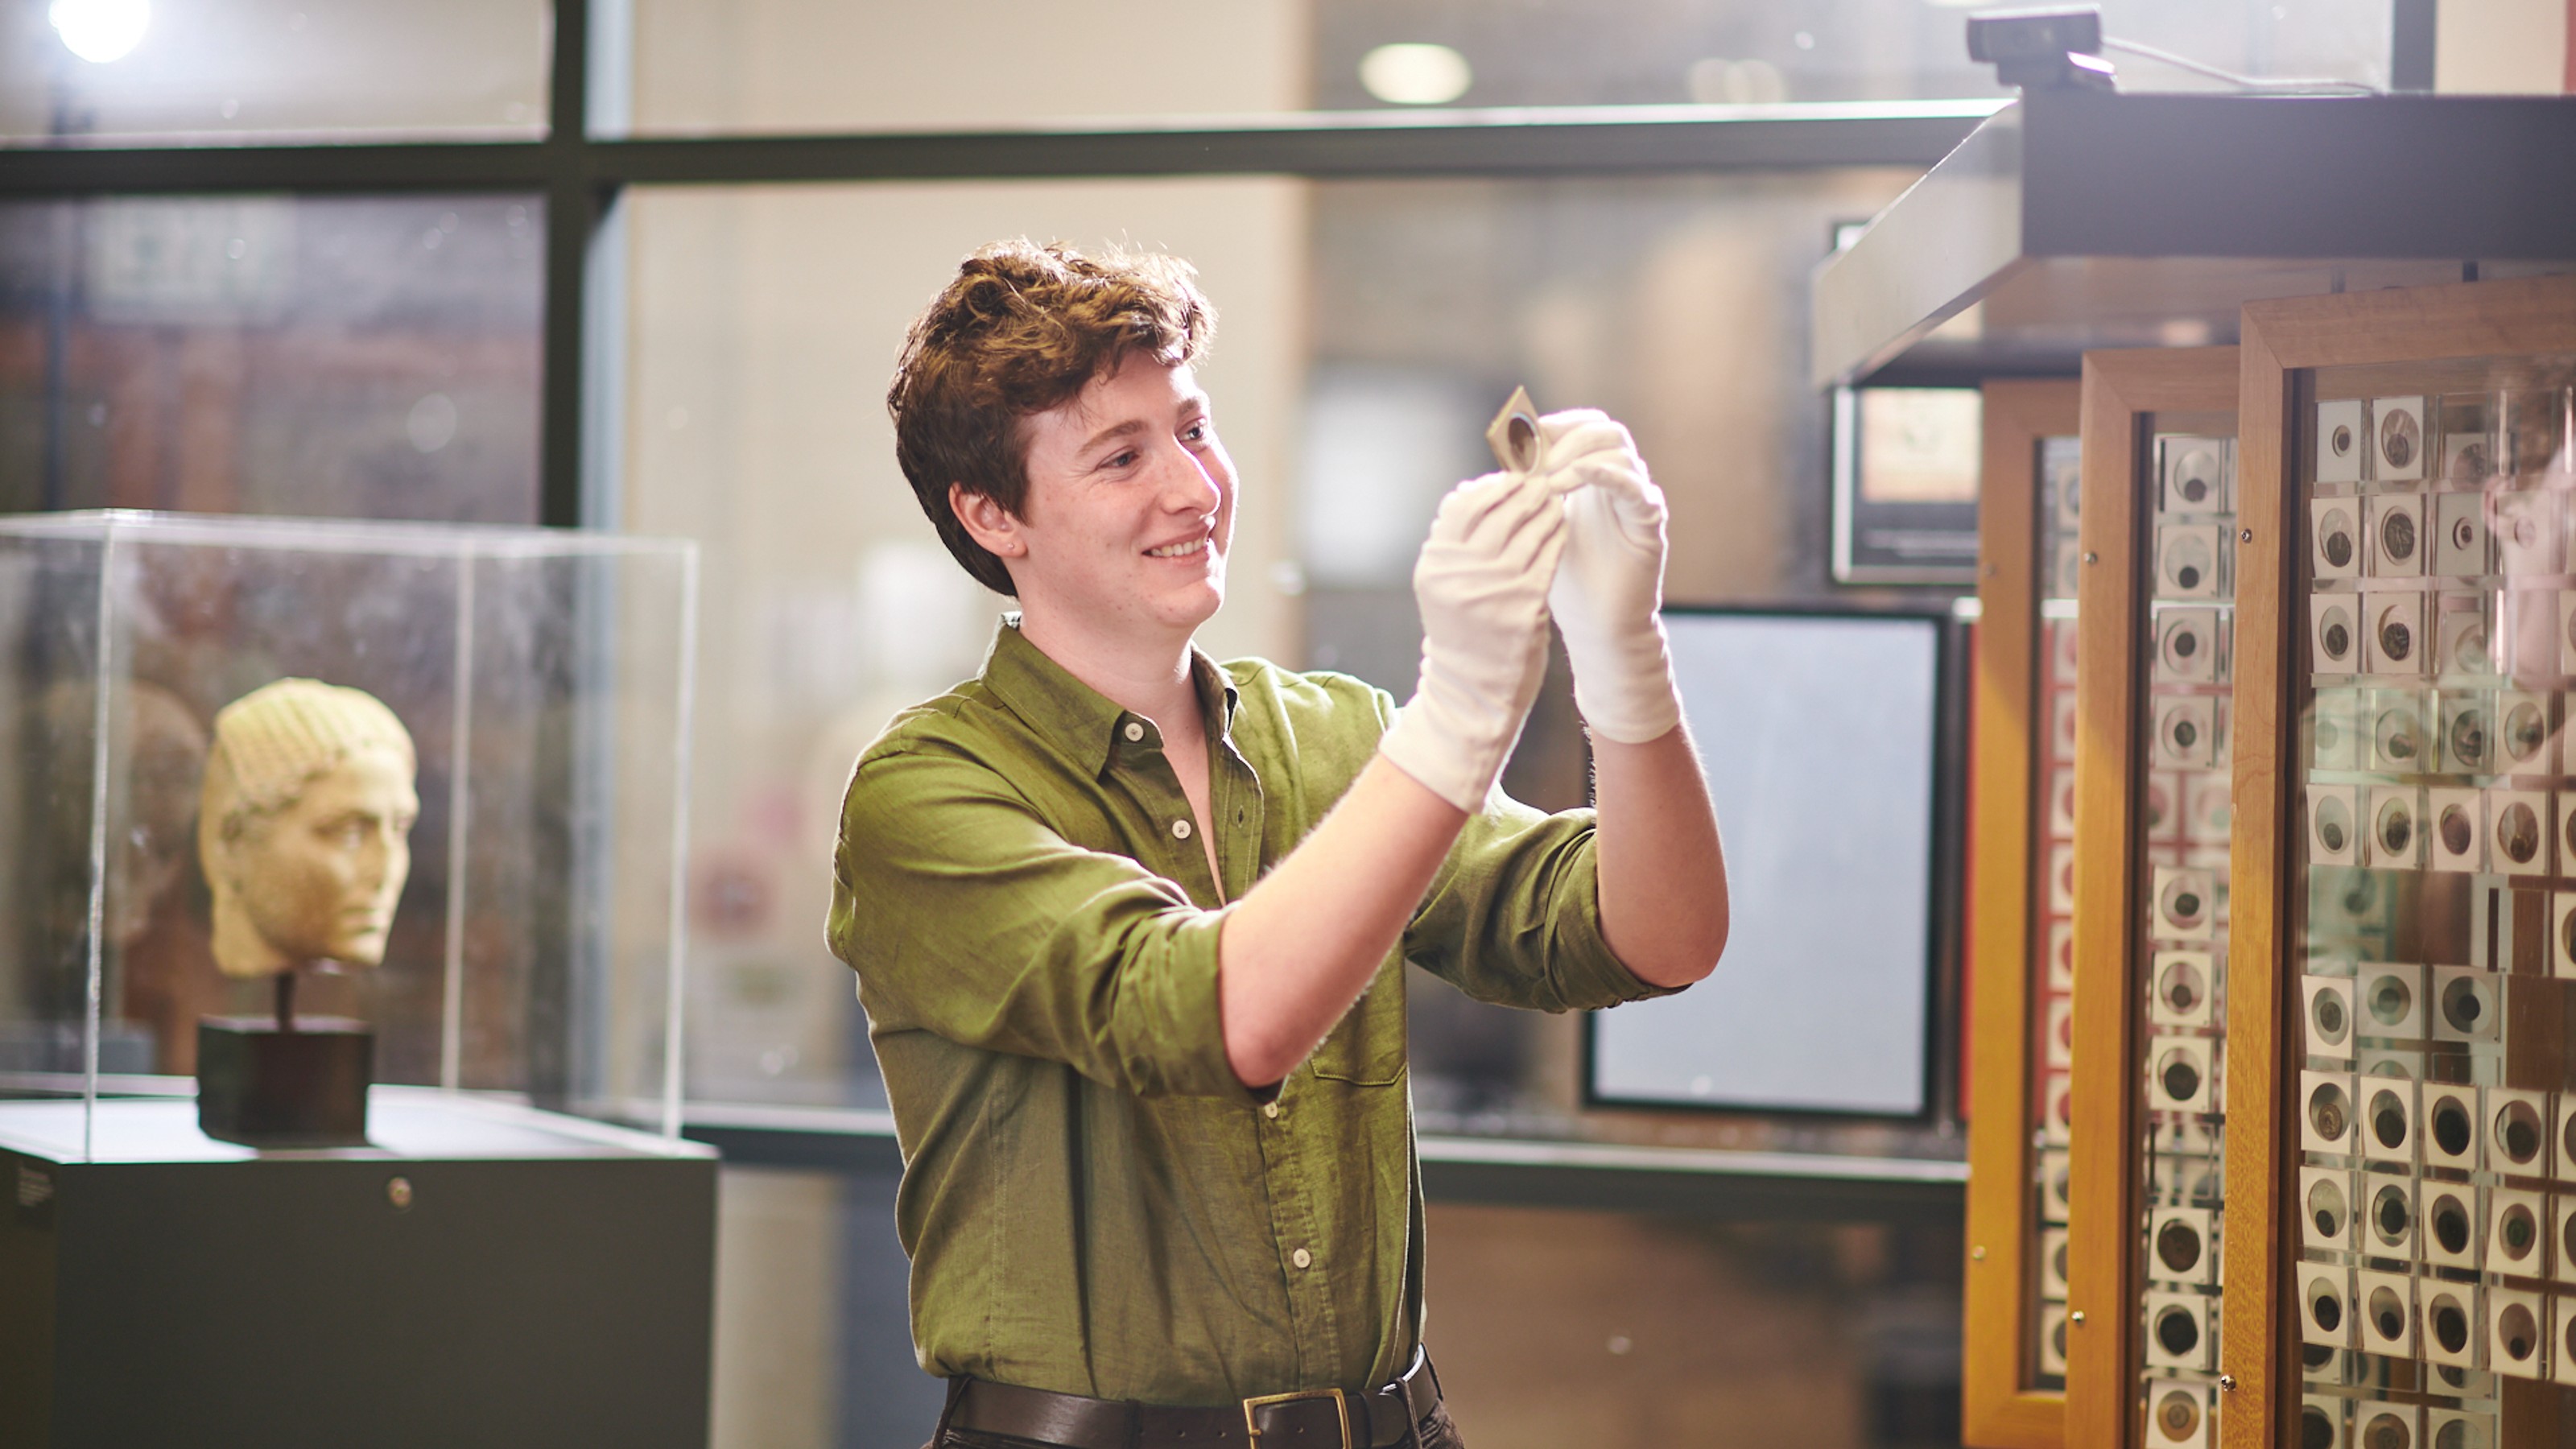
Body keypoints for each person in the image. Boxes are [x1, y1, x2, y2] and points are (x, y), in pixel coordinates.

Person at [829, 240, 1729, 1449]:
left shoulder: (1338, 736)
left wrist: (1626, 655)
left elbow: (1661, 934)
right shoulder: (926, 795)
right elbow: (1203, 1016)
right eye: (1122, 456)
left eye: (1194, 430)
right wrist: (1461, 716)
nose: (1194, 491)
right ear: (994, 516)